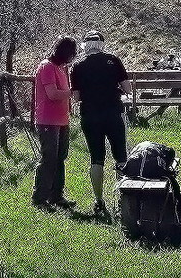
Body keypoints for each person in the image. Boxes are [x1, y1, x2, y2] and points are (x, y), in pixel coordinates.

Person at [69, 29, 132, 218]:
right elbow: (127, 88)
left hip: (90, 114)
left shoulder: (77, 66)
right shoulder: (113, 60)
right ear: (101, 45)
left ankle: (99, 200)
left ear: (85, 46)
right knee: (120, 155)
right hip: (113, 111)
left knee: (96, 158)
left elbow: (76, 96)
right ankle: (123, 199)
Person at [32, 36, 78, 210]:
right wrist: (73, 92)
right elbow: (52, 94)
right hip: (47, 120)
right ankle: (40, 197)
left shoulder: (61, 69)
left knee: (60, 158)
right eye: (71, 53)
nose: (72, 57)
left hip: (62, 120)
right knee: (49, 159)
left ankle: (57, 196)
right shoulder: (47, 67)